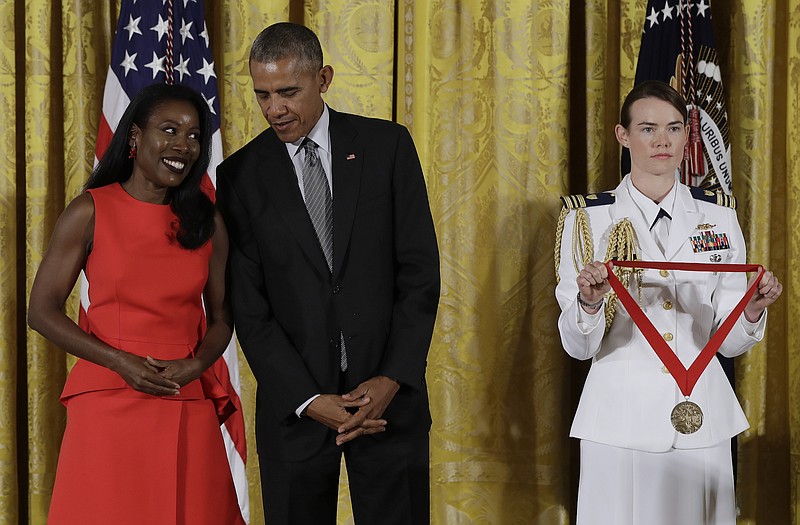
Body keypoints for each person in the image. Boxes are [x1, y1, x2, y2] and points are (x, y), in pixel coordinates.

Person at [216, 22, 440, 524]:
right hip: (296, 411)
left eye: (288, 92)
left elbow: (419, 273)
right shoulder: (239, 176)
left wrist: (393, 378)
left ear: (324, 79)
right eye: (263, 94)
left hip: (387, 405)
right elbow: (249, 308)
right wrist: (307, 398)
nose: (275, 108)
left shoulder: (388, 147)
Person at [554, 80, 782, 525]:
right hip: (618, 422)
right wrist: (588, 303)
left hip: (703, 419)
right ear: (623, 136)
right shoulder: (587, 219)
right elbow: (578, 347)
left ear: (687, 136)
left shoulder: (718, 214)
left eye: (674, 129)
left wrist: (752, 309)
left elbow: (730, 343)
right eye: (648, 128)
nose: (662, 141)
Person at [28, 83, 244, 525]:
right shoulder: (89, 210)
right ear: (134, 137)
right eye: (169, 130)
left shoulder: (208, 222)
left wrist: (199, 363)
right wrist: (119, 361)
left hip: (186, 397)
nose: (183, 145)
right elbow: (41, 310)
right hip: (108, 398)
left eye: (194, 135)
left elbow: (221, 317)